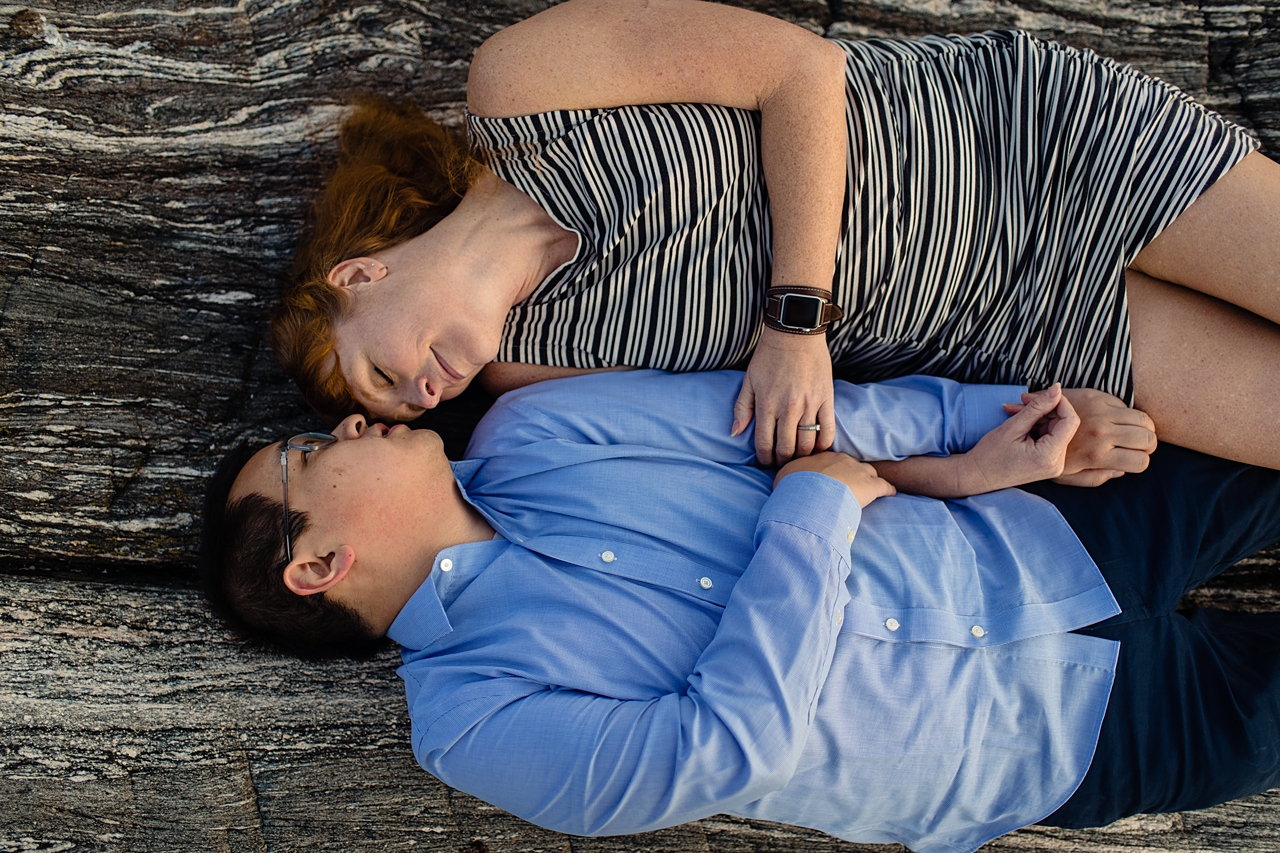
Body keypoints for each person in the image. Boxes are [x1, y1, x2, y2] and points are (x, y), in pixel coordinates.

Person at [203, 369, 1280, 853]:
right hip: (1050, 747)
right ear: (316, 565)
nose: (341, 426)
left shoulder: (538, 428)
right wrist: (809, 509)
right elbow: (731, 747)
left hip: (1043, 519)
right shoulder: (473, 723)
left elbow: (808, 416)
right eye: (305, 456)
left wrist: (1004, 420)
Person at [270, 0, 1280, 470]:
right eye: (404, 407)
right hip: (1011, 324)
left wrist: (793, 322)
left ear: (360, 273)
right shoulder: (536, 375)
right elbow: (768, 448)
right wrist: (981, 457)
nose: (419, 397)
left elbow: (798, 71)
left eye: (381, 373)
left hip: (1026, 146)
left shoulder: (523, 87)